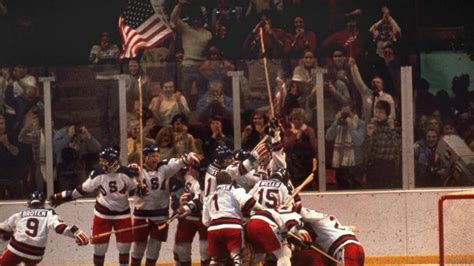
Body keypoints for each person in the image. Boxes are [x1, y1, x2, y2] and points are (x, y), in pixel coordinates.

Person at [48, 147, 140, 266]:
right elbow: (82, 190)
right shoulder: (98, 173)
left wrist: (138, 177)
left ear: (113, 162)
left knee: (124, 247)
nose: (101, 163)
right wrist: (65, 196)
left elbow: (137, 188)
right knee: (100, 248)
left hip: (122, 214)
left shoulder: (126, 173)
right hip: (103, 214)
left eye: (104, 161)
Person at [131, 145, 201, 266]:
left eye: (157, 155)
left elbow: (179, 162)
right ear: (145, 157)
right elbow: (129, 181)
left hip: (160, 215)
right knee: (138, 246)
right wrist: (136, 186)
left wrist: (188, 156)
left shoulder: (165, 168)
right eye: (153, 156)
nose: (156, 158)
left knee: (154, 248)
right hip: (141, 215)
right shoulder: (137, 170)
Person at [0, 191, 89, 265]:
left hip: (16, 248)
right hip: (36, 254)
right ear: (42, 202)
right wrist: (75, 233)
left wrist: (6, 235)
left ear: (29, 202)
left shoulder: (20, 214)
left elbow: (3, 228)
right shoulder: (49, 213)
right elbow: (60, 228)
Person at [202, 171, 262, 265]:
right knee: (238, 257)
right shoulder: (235, 190)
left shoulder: (209, 196)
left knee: (216, 260)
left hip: (213, 229)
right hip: (233, 227)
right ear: (230, 181)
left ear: (217, 183)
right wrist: (263, 209)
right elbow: (250, 202)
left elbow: (205, 221)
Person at [295, 207, 365, 266]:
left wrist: (291, 207)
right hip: (357, 247)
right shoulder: (328, 224)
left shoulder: (318, 218)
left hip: (345, 248)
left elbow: (303, 211)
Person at [245, 207, 311, 266]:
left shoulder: (276, 213)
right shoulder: (297, 216)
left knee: (259, 256)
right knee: (285, 253)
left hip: (249, 225)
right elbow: (292, 225)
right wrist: (300, 232)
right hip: (265, 224)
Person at [173, 165, 210, 265]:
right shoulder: (188, 176)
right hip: (188, 218)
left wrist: (186, 206)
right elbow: (175, 172)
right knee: (181, 249)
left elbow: (199, 201)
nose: (189, 170)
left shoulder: (206, 182)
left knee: (206, 251)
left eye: (192, 168)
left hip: (203, 217)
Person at [326, 104, 366, 189]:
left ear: (353, 113)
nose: (345, 116)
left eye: (347, 114)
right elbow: (328, 137)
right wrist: (335, 122)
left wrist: (351, 126)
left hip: (355, 165)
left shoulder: (360, 124)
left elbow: (358, 141)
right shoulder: (339, 124)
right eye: (343, 113)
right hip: (340, 165)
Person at [365, 100, 401, 189]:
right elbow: (368, 150)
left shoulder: (393, 126)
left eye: (381, 112)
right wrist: (369, 136)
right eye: (376, 111)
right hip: (374, 165)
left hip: (387, 166)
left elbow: (397, 146)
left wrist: (392, 129)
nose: (377, 114)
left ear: (387, 114)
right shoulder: (373, 125)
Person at [349, 57, 396, 122]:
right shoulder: (366, 94)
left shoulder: (387, 97)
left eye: (378, 82)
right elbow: (358, 82)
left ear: (382, 86)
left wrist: (381, 122)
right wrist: (353, 66)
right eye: (373, 82)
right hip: (367, 127)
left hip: (382, 127)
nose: (375, 84)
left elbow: (392, 115)